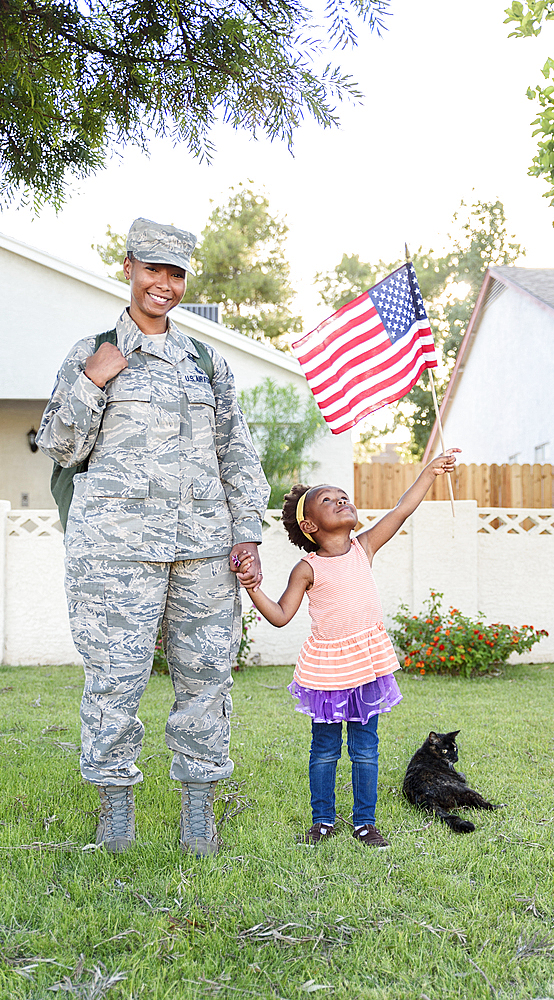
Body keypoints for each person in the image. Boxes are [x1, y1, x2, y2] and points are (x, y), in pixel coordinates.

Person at [37, 218, 269, 857]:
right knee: (114, 678)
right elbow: (58, 447)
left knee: (207, 678)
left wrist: (247, 533)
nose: (163, 285)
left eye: (175, 275)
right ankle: (116, 813)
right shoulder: (91, 352)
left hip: (202, 549)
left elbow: (237, 454)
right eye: (152, 271)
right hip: (116, 554)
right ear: (129, 269)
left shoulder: (205, 361)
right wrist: (93, 382)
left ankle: (199, 815)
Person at [237, 453, 459, 848]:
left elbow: (402, 509)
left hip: (366, 665)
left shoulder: (364, 547)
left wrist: (429, 472)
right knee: (324, 750)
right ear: (309, 525)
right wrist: (253, 586)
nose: (342, 500)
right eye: (329, 500)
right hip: (326, 670)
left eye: (344, 496)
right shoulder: (307, 568)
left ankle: (364, 823)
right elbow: (280, 615)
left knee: (365, 749)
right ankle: (322, 820)